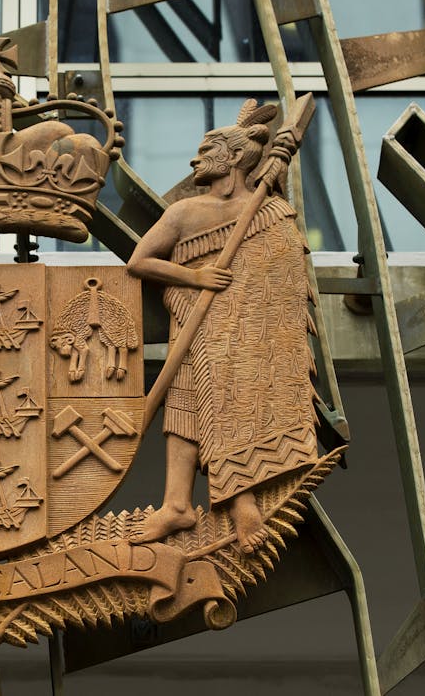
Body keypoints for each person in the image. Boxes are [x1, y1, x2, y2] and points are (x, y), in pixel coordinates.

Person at [126, 101, 317, 553]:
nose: (195, 160)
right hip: (195, 320)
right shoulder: (184, 213)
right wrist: (195, 277)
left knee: (234, 401)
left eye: (206, 150)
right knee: (184, 407)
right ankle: (177, 503)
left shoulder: (266, 208)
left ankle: (239, 497)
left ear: (232, 157)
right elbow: (140, 261)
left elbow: (278, 266)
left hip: (244, 332)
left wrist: (280, 161)